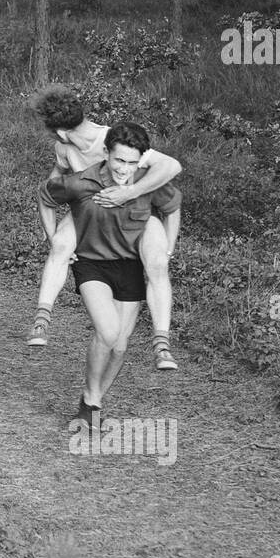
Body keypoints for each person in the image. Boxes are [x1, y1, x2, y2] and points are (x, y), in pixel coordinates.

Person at [27, 84, 181, 371]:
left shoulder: (113, 141)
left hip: (135, 211)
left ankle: (162, 343)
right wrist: (54, 234)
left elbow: (171, 167)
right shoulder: (64, 147)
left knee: (158, 262)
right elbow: (55, 182)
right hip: (91, 209)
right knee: (61, 245)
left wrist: (129, 193)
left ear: (59, 130)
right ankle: (41, 319)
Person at [43, 122, 181, 423]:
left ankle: (91, 401)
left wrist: (166, 252)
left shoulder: (147, 181)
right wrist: (57, 240)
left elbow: (173, 206)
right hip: (92, 262)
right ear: (107, 153)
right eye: (119, 160)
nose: (124, 168)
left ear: (142, 160)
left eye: (132, 162)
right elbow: (47, 194)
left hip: (129, 263)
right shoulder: (84, 180)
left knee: (119, 346)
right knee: (107, 331)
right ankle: (91, 401)